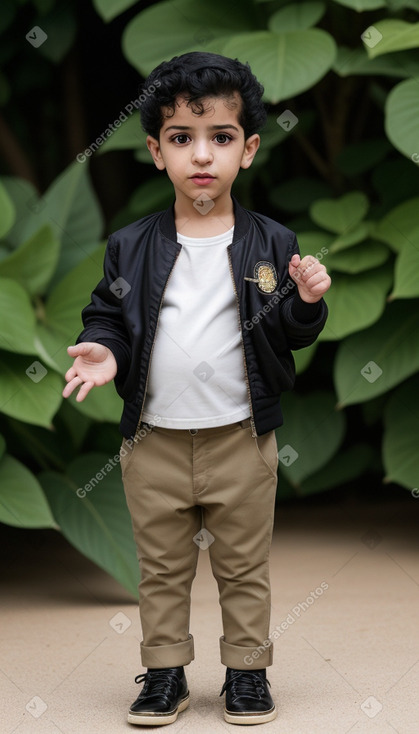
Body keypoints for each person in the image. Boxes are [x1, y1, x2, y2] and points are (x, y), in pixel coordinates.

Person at [62, 51, 331, 727]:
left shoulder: (271, 243)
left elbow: (291, 335)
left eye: (221, 137)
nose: (202, 155)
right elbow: (109, 315)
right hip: (152, 441)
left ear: (249, 149)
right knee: (161, 568)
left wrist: (303, 303)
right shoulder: (130, 246)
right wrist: (104, 351)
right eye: (182, 138)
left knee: (244, 568)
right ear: (156, 151)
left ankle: (246, 674)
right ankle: (163, 674)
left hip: (242, 437)